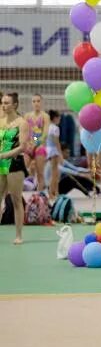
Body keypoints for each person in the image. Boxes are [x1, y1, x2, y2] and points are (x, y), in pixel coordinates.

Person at [0, 92, 30, 244]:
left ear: (15, 105)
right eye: (2, 103)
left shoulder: (22, 123)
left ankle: (19, 235)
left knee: (16, 199)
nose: (4, 106)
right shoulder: (0, 121)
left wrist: (4, 155)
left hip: (15, 164)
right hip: (1, 163)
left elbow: (23, 147)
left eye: (6, 103)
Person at [24, 93, 49, 192]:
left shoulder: (45, 116)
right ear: (31, 103)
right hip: (29, 146)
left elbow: (45, 134)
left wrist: (35, 143)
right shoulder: (27, 116)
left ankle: (40, 195)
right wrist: (27, 143)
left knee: (40, 173)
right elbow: (24, 132)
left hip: (39, 146)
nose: (36, 103)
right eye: (34, 101)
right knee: (22, 171)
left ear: (41, 102)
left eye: (38, 101)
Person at [45, 110, 62, 201]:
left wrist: (35, 142)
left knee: (55, 173)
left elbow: (36, 136)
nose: (60, 120)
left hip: (48, 149)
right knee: (54, 174)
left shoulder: (46, 127)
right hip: (53, 151)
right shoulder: (55, 128)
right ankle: (51, 193)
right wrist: (60, 154)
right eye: (59, 118)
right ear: (55, 118)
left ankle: (56, 192)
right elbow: (56, 142)